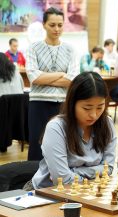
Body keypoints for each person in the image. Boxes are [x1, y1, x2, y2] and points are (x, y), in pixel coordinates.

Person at [28, 72, 117, 190]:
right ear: (72, 103)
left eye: (100, 107)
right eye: (87, 108)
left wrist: (74, 171)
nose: (94, 115)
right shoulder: (56, 127)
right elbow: (62, 180)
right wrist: (93, 176)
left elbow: (108, 169)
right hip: (45, 193)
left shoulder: (107, 123)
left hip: (88, 191)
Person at [26, 7, 79, 161]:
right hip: (38, 102)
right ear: (44, 25)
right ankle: (33, 181)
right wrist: (61, 75)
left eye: (60, 25)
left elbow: (72, 80)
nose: (57, 29)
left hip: (63, 103)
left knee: (63, 144)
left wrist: (45, 77)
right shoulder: (33, 48)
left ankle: (62, 180)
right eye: (52, 25)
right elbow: (34, 77)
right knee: (37, 144)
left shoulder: (70, 49)